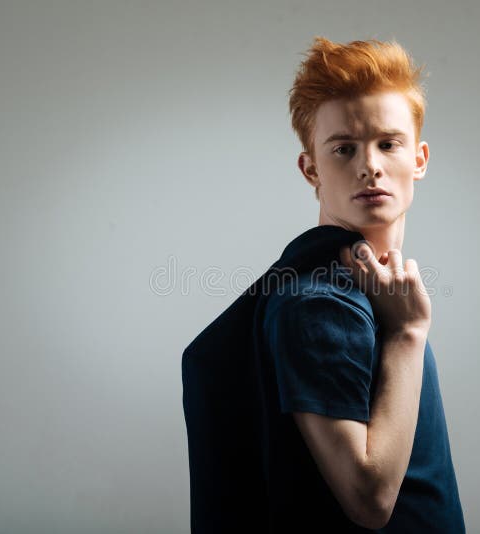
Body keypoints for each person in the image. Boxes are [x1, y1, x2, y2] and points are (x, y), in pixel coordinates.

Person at [181, 36, 464, 533]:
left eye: (388, 143)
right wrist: (408, 334)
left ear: (418, 159)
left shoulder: (360, 292)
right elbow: (369, 499)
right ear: (311, 168)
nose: (369, 164)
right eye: (343, 148)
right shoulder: (320, 304)